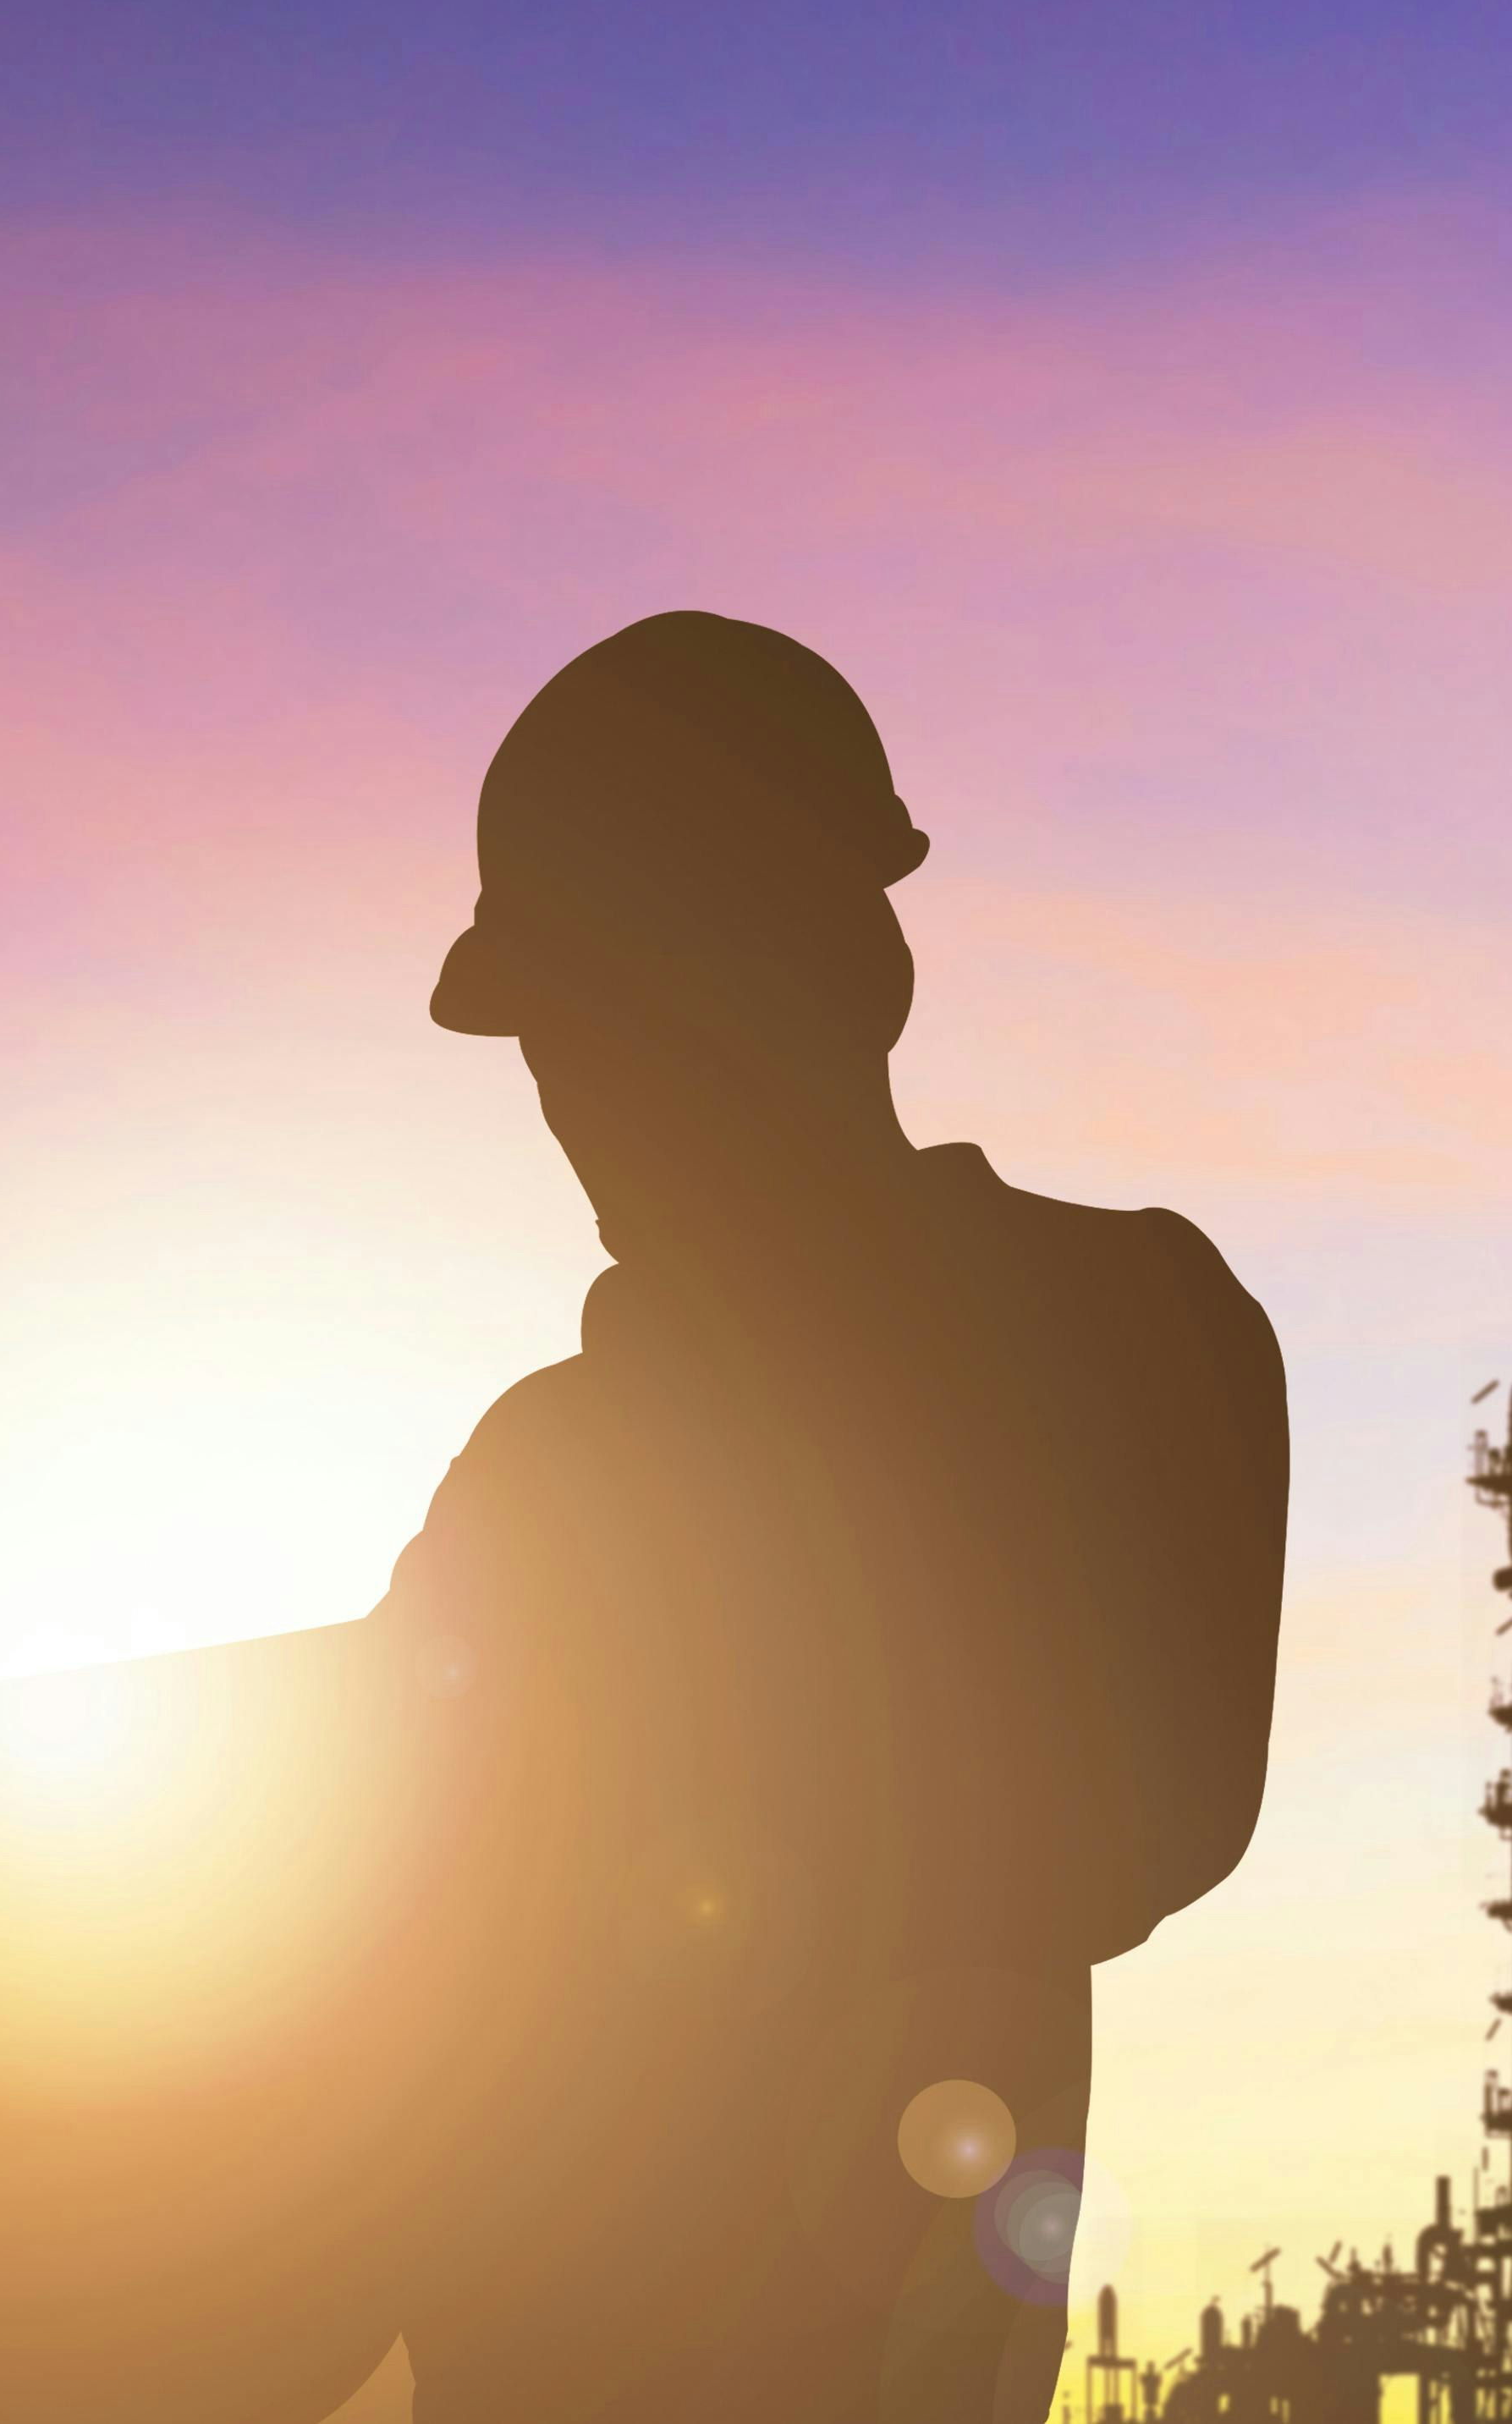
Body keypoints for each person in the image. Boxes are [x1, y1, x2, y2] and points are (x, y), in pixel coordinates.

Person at [374, 613, 1289, 2421]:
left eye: (621, 1017)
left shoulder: (1129, 1332)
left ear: (831, 973)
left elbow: (1138, 1811)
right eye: (558, 1038)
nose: (574, 1096)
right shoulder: (544, 1472)